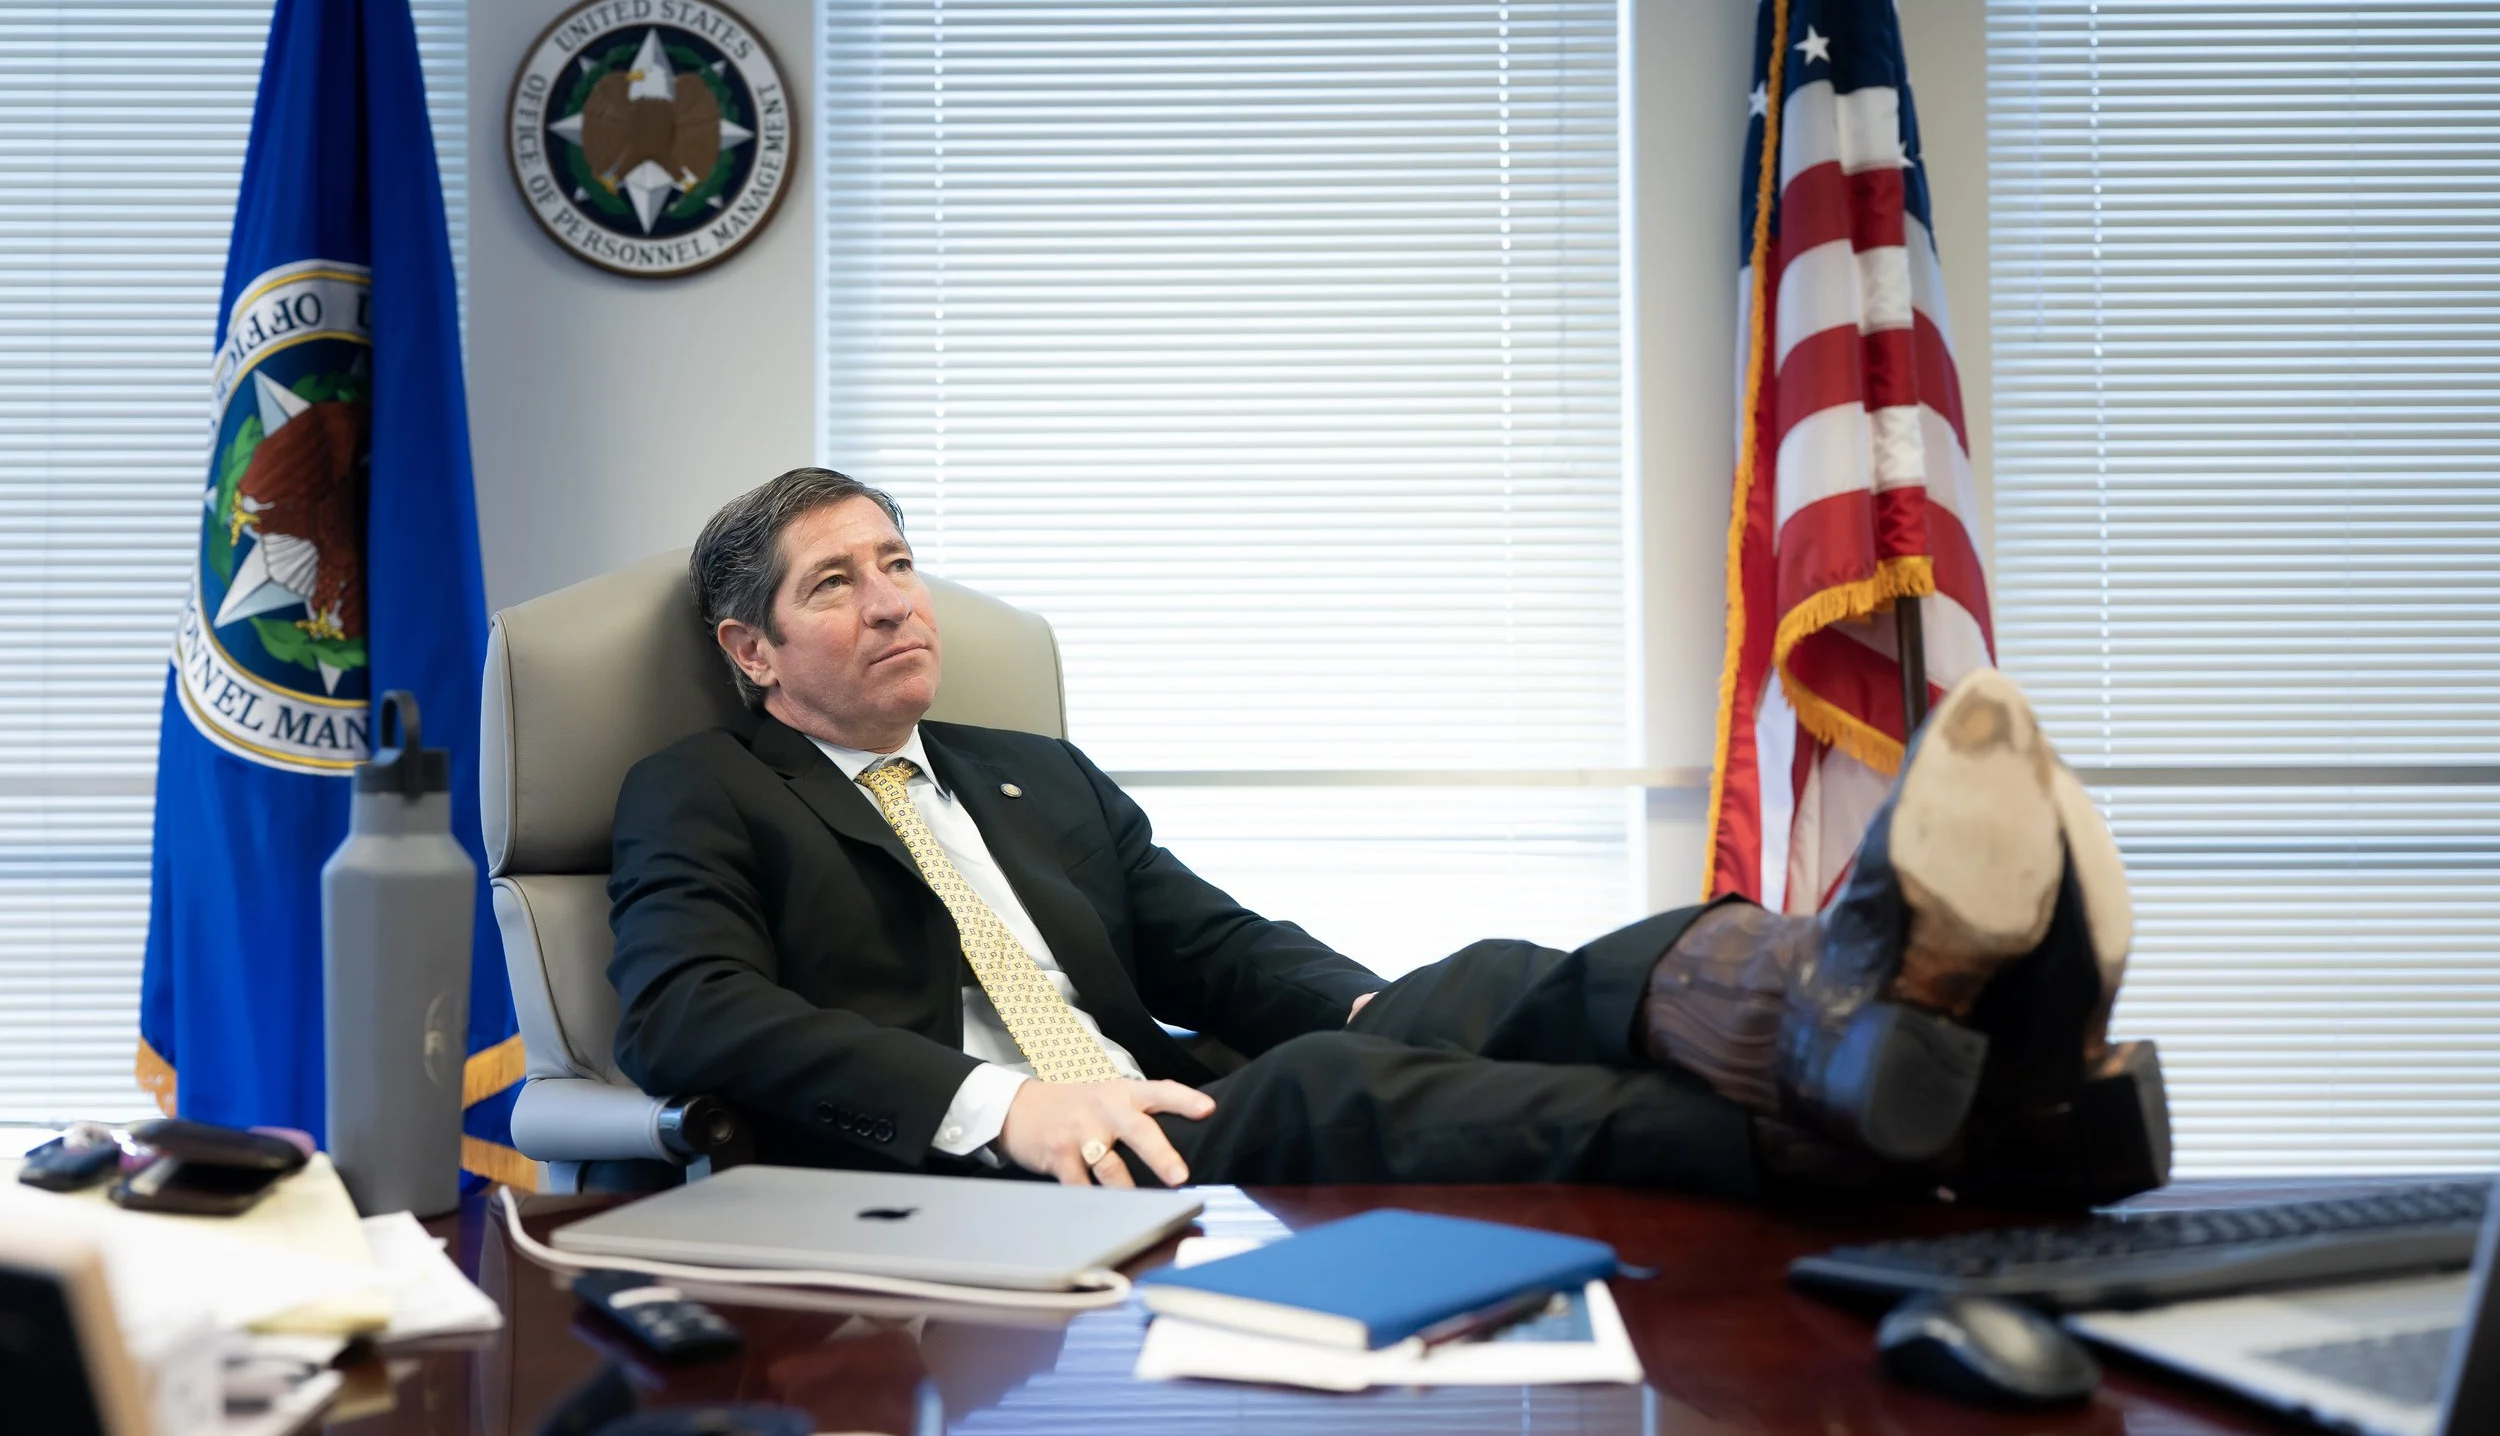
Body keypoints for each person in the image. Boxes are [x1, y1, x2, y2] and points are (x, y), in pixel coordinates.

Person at [607, 468, 2168, 1202]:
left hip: (1176, 1096)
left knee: (1465, 990)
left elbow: (1209, 943)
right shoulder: (704, 787)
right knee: (1361, 1084)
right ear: (752, 650)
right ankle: (1970, 1089)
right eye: (836, 583)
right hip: (994, 1175)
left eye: (900, 559)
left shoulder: (1031, 769)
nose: (893, 598)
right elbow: (690, 1013)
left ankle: (1890, 1033)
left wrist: (1384, 998)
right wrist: (999, 1104)